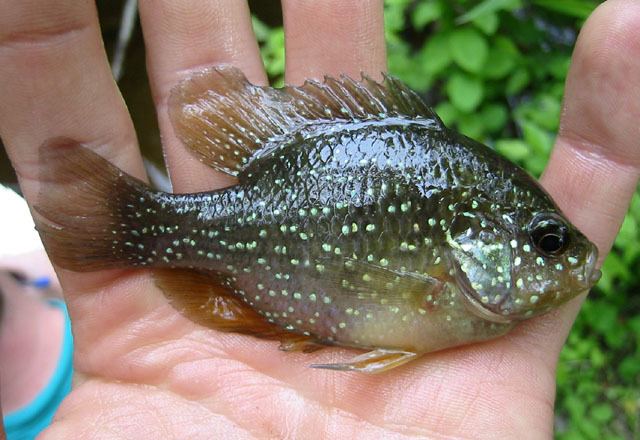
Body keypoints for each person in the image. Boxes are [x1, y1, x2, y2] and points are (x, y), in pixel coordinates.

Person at [0, 0, 638, 437]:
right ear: (474, 231)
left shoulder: (459, 249)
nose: (572, 259)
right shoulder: (450, 270)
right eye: (547, 241)